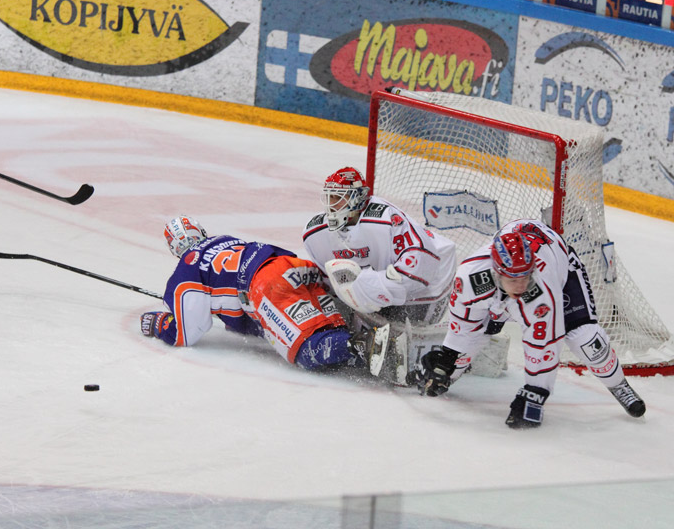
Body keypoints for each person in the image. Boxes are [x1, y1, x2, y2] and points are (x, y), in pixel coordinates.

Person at [416, 218, 646, 429]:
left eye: (525, 276)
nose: (521, 286)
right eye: (514, 279)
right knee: (469, 345)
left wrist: (535, 392)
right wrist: (448, 359)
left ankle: (619, 385)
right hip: (503, 288)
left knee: (586, 340)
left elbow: (545, 343)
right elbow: (464, 326)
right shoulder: (469, 279)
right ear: (497, 273)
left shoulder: (539, 291)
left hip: (563, 272)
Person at [139, 215, 389, 373]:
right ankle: (374, 344)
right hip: (294, 267)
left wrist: (159, 323)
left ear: (174, 249)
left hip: (267, 284)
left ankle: (366, 345)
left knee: (306, 351)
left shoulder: (188, 266)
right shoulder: (226, 240)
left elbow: (186, 332)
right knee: (332, 330)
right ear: (202, 232)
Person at [302, 166, 457, 326]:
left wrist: (374, 286)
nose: (331, 204)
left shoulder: (385, 220)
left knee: (407, 331)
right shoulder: (314, 232)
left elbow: (423, 263)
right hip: (392, 284)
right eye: (329, 197)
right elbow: (330, 280)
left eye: (338, 197)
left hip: (433, 278)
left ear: (357, 198)